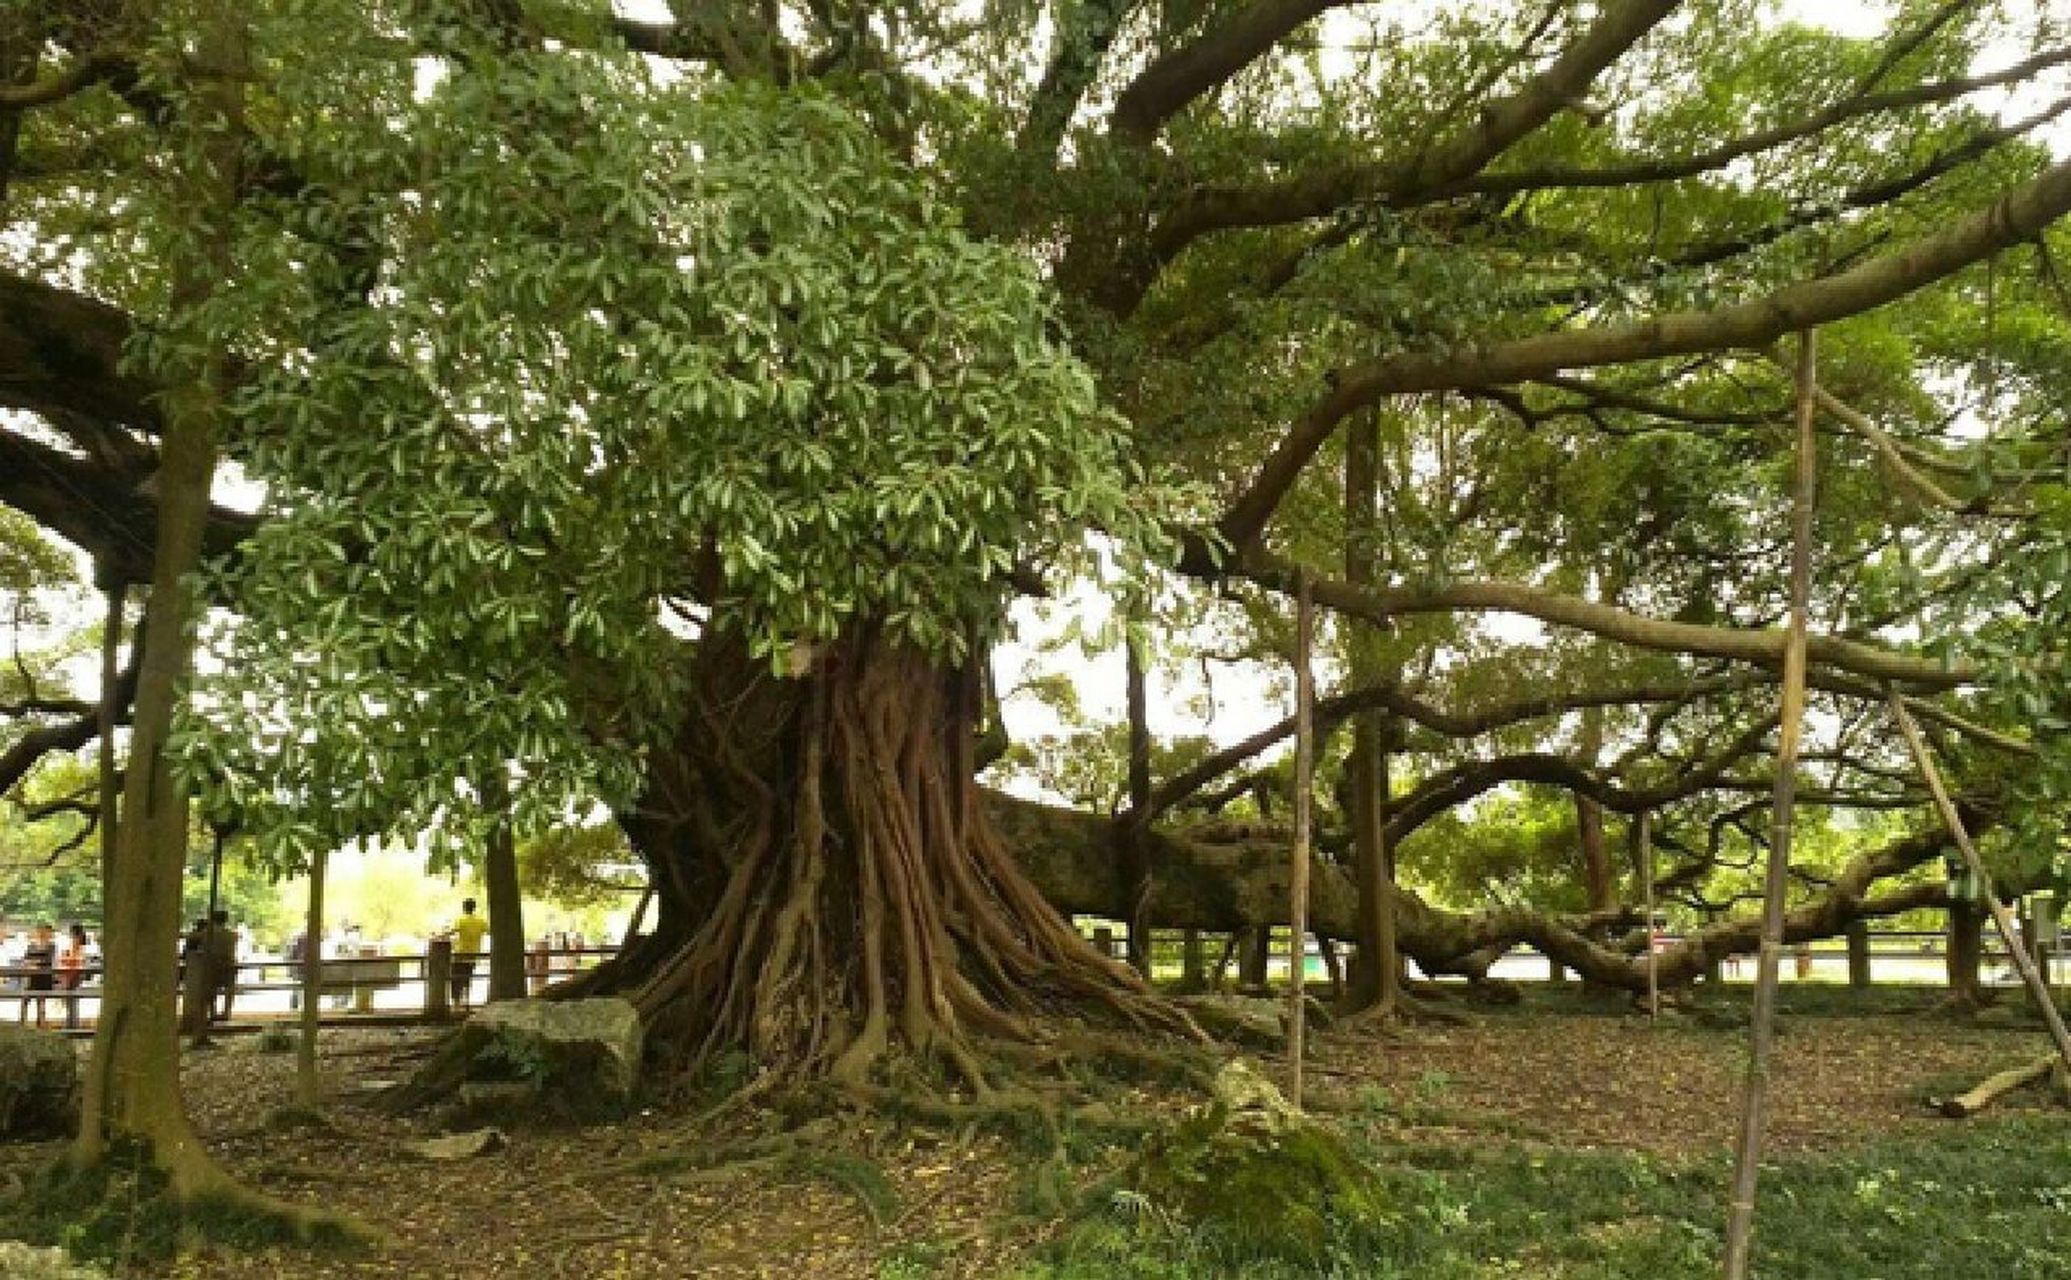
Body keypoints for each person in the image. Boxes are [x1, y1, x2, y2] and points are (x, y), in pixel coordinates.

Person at [447, 899, 488, 1009]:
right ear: (474, 908)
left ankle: (456, 1002)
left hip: (460, 953)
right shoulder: (480, 921)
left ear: (464, 908)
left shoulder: (460, 920)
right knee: (467, 977)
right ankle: (466, 1001)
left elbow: (452, 931)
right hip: (473, 954)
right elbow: (487, 930)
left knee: (456, 978)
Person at [17, 922, 56, 1028]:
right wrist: (30, 963)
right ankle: (22, 1021)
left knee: (41, 1000)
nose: (44, 933)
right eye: (42, 931)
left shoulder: (51, 946)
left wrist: (35, 962)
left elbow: (48, 960)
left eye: (47, 931)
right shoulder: (32, 945)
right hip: (32, 975)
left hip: (44, 975)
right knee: (26, 998)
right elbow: (26, 958)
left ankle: (40, 1021)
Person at [207, 910, 239, 1021]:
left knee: (211, 988)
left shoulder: (208, 934)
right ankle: (226, 1012)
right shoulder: (231, 935)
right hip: (228, 962)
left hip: (213, 963)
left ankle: (212, 1011)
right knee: (229, 989)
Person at [57, 923, 87, 1029]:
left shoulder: (79, 946)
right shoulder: (74, 945)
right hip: (70, 974)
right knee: (70, 1000)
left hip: (74, 975)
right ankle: (71, 1023)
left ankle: (72, 1024)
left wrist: (65, 959)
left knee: (72, 999)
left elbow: (76, 960)